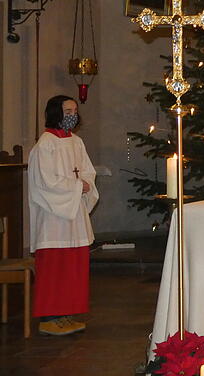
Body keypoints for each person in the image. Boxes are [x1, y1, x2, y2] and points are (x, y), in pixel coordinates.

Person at [28, 95, 98, 336]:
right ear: (55, 113)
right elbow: (45, 182)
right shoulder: (45, 144)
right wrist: (79, 186)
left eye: (75, 111)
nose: (72, 115)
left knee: (72, 266)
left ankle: (66, 314)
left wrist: (86, 183)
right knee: (55, 267)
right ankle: (49, 318)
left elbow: (88, 171)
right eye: (67, 110)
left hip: (74, 213)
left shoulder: (76, 142)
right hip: (53, 217)